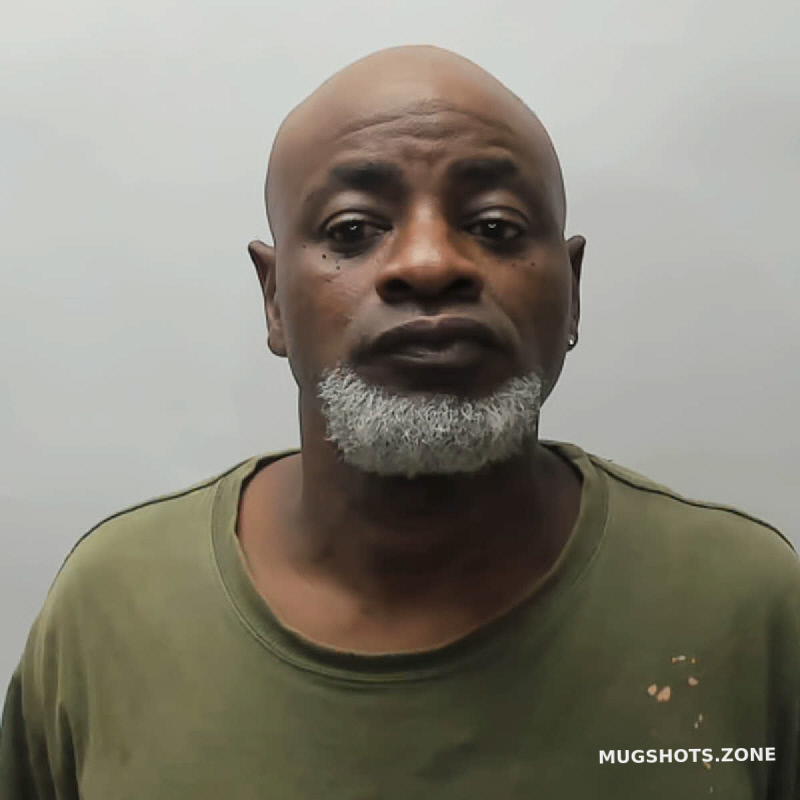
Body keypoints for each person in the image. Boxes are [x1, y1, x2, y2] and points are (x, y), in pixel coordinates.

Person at [1, 45, 797, 800]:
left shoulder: (744, 610)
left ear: (572, 290)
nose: (428, 263)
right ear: (274, 300)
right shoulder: (113, 607)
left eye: (494, 226)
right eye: (352, 230)